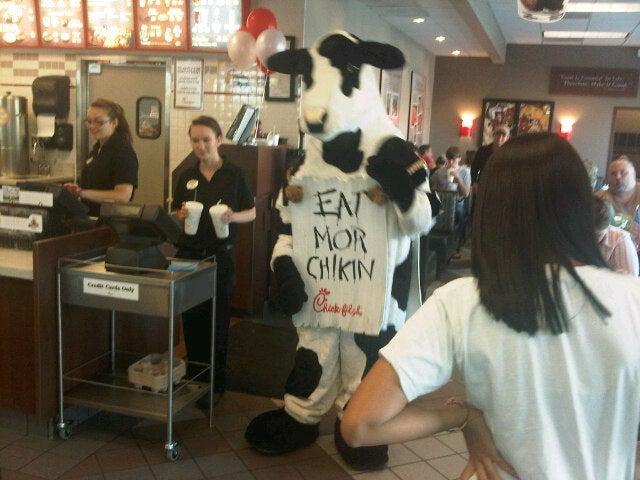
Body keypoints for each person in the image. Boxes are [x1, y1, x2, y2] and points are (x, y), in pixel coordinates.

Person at [341, 133, 640, 480]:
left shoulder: (461, 301)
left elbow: (359, 426)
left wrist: (463, 416)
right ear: (581, 203)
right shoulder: (632, 298)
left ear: (493, 211)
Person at [172, 115, 256, 407]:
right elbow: (175, 211)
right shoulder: (186, 175)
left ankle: (215, 384)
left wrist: (233, 216)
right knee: (191, 319)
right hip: (189, 255)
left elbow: (252, 212)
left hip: (220, 256)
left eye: (206, 140)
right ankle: (195, 378)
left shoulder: (235, 174)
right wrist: (179, 215)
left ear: (219, 140)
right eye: (195, 140)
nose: (200, 146)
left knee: (217, 322)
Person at [64, 98, 138, 216]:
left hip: (109, 221)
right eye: (89, 121)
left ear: (114, 123)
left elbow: (122, 196)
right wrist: (77, 190)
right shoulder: (97, 149)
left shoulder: (123, 152)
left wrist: (83, 193)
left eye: (99, 122)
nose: (92, 126)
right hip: (90, 217)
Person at [430, 146, 471, 258]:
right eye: (449, 159)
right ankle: (436, 244)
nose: (451, 162)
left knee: (459, 213)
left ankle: (456, 247)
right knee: (433, 211)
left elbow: (466, 193)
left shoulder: (465, 172)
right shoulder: (439, 172)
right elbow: (431, 188)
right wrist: (436, 188)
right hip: (442, 202)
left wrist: (458, 178)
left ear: (459, 159)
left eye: (454, 159)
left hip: (458, 202)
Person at [596, 156, 640, 251]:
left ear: (634, 175)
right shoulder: (599, 199)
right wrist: (624, 224)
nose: (618, 177)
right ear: (608, 177)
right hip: (612, 250)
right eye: (613, 173)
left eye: (623, 173)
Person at [593, 195, 639, 276]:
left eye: (597, 235)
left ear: (607, 227)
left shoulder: (621, 241)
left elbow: (629, 281)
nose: (590, 238)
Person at [470, 125, 509, 189]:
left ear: (507, 138)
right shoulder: (482, 150)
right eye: (498, 134)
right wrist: (473, 182)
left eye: (503, 135)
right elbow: (474, 167)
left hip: (501, 186)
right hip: (483, 183)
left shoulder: (509, 153)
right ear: (494, 135)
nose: (500, 137)